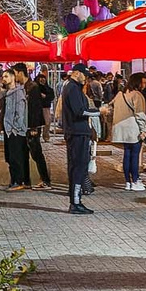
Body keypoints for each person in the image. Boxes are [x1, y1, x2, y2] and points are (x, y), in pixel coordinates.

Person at [60, 67, 96, 214]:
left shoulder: (73, 87)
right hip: (77, 133)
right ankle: (75, 202)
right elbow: (80, 111)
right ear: (76, 73)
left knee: (77, 166)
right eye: (84, 75)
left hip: (77, 132)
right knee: (78, 166)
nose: (85, 78)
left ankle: (76, 200)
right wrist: (99, 112)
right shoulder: (72, 88)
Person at [112, 72, 146, 191]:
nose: (144, 85)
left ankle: (127, 182)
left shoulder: (120, 94)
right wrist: (143, 130)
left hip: (121, 128)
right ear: (137, 82)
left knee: (127, 154)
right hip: (133, 128)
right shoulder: (137, 95)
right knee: (134, 155)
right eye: (143, 82)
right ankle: (134, 180)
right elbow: (140, 114)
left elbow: (112, 107)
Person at [0, 67, 32, 189]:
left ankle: (18, 181)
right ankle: (15, 180)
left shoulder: (18, 93)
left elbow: (20, 112)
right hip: (8, 129)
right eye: (3, 76)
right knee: (10, 157)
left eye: (6, 76)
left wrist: (16, 127)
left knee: (15, 156)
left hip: (15, 130)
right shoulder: (7, 93)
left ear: (13, 77)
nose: (4, 79)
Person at [25, 67, 55, 189]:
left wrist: (33, 127)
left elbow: (35, 108)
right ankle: (27, 181)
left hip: (35, 123)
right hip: (29, 125)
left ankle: (45, 180)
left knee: (36, 153)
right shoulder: (29, 87)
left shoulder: (33, 88)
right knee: (31, 153)